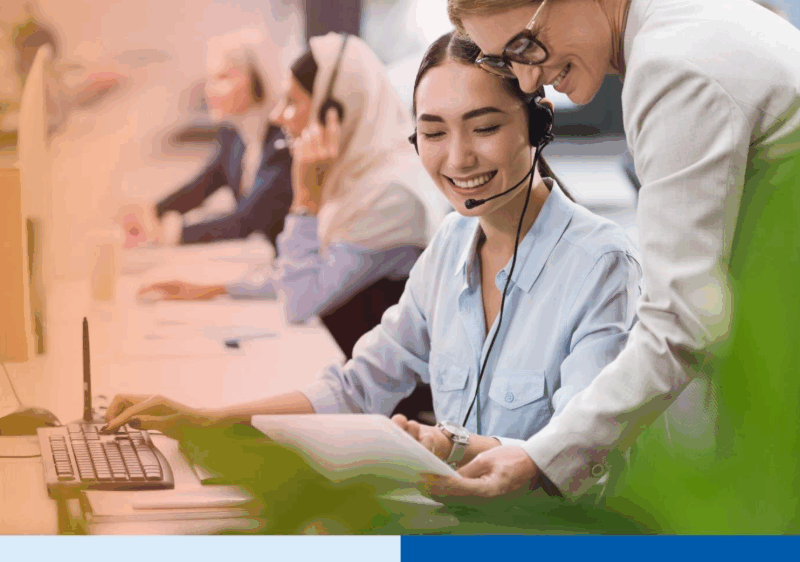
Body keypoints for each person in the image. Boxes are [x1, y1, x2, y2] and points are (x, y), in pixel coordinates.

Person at [103, 32, 643, 533]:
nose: (457, 158)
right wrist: (207, 418)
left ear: (538, 124)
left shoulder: (599, 264)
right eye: (433, 132)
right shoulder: (452, 245)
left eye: (485, 128)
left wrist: (447, 444)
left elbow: (579, 451)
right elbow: (357, 388)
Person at [432, 0, 800, 534]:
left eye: (525, 45)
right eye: (505, 62)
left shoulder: (673, 66)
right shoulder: (681, 21)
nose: (528, 80)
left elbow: (683, 323)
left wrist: (539, 457)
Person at [136, 34, 448, 365]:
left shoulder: (391, 197)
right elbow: (314, 273)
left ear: (334, 115)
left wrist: (305, 201)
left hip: (388, 401)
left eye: (293, 103)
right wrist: (216, 289)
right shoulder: (355, 180)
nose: (278, 117)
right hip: (343, 366)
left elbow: (299, 300)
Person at [121, 29, 293, 249]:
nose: (209, 89)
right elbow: (203, 185)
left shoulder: (283, 141)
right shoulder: (235, 136)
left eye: (223, 77)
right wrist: (151, 213)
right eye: (209, 78)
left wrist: (169, 233)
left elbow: (250, 220)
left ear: (259, 79)